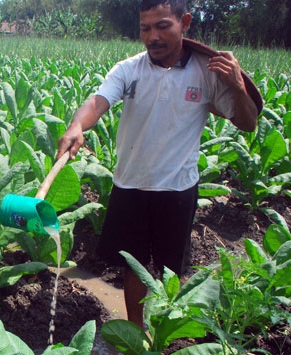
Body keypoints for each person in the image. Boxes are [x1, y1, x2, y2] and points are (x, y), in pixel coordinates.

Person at [56, 0, 260, 330]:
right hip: (130, 185)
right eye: (145, 28)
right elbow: (98, 100)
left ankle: (164, 330)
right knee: (133, 266)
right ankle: (136, 332)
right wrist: (77, 125)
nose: (153, 36)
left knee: (171, 270)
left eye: (163, 25)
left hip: (177, 190)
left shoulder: (204, 73)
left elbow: (248, 123)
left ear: (186, 22)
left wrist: (237, 85)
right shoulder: (129, 69)